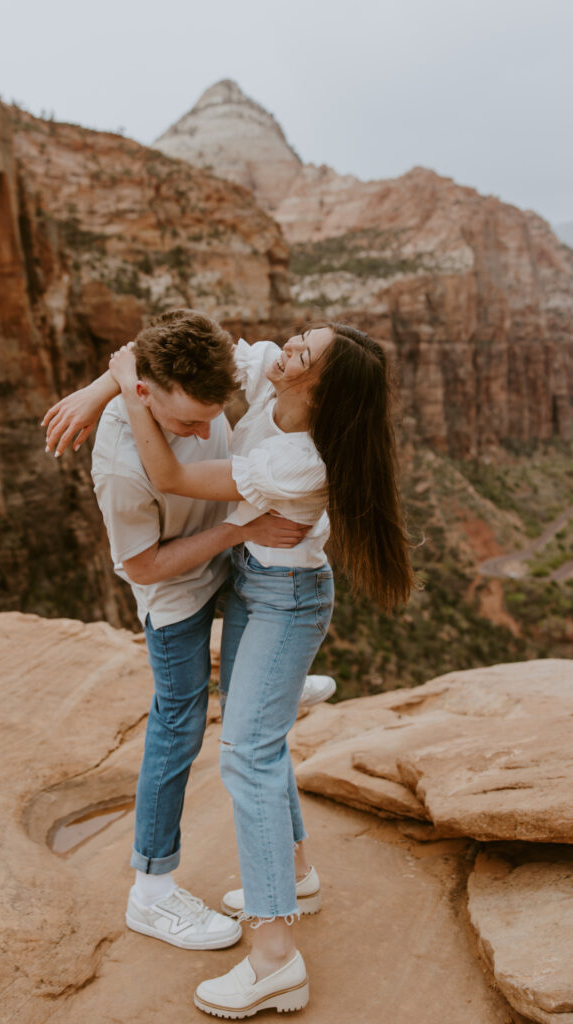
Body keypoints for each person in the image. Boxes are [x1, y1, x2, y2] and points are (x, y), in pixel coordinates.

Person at [107, 320, 416, 1018]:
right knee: (259, 743)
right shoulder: (277, 373)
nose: (282, 348)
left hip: (287, 600)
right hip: (251, 578)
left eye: (300, 352)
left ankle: (275, 959)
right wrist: (117, 372)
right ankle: (297, 873)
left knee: (246, 755)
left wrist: (130, 390)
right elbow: (183, 346)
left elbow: (172, 475)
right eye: (295, 340)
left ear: (319, 388)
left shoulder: (299, 462)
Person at [41, 310, 335, 958]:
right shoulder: (123, 463)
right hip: (177, 590)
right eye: (186, 425)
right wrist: (238, 531)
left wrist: (104, 382)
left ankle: (263, 687)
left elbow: (141, 351)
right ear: (143, 397)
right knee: (177, 722)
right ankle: (150, 888)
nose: (206, 432)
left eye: (212, 418)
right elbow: (142, 565)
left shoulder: (194, 382)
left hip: (230, 562)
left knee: (251, 706)